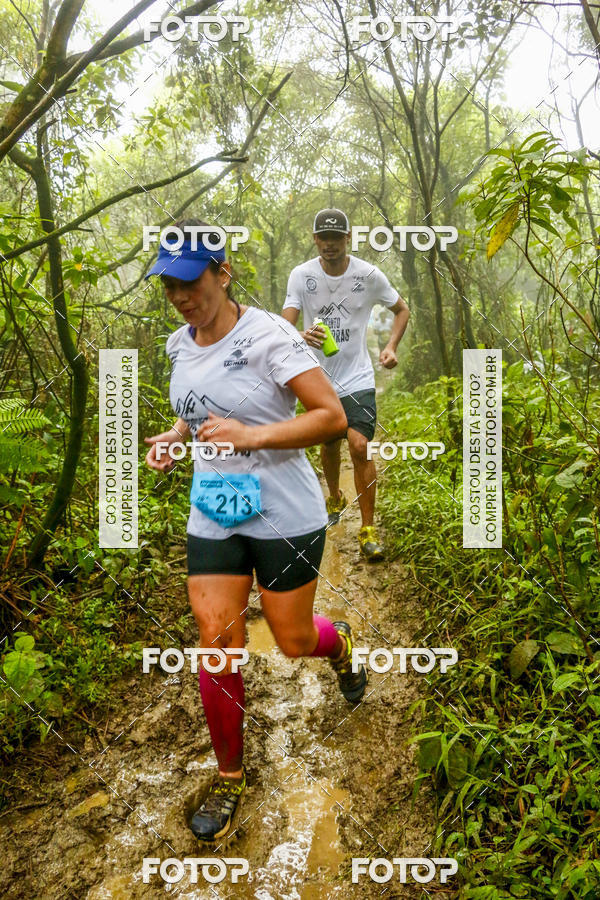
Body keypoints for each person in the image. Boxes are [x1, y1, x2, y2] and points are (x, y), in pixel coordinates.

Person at [144, 219, 368, 844]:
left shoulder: (271, 335)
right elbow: (197, 412)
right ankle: (229, 774)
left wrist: (253, 435)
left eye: (190, 283)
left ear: (223, 274)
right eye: (169, 286)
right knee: (216, 641)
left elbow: (331, 417)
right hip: (216, 510)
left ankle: (340, 645)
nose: (180, 297)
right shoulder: (178, 344)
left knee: (293, 640)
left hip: (283, 512)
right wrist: (176, 437)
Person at [282, 208, 410, 561]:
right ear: (315, 240)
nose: (330, 244)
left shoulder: (367, 275)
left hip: (357, 376)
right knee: (329, 444)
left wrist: (391, 346)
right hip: (317, 377)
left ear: (347, 239)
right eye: (324, 238)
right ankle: (335, 496)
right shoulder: (301, 275)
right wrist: (299, 335)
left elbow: (402, 309)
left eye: (336, 238)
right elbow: (284, 324)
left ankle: (368, 530)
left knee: (359, 444)